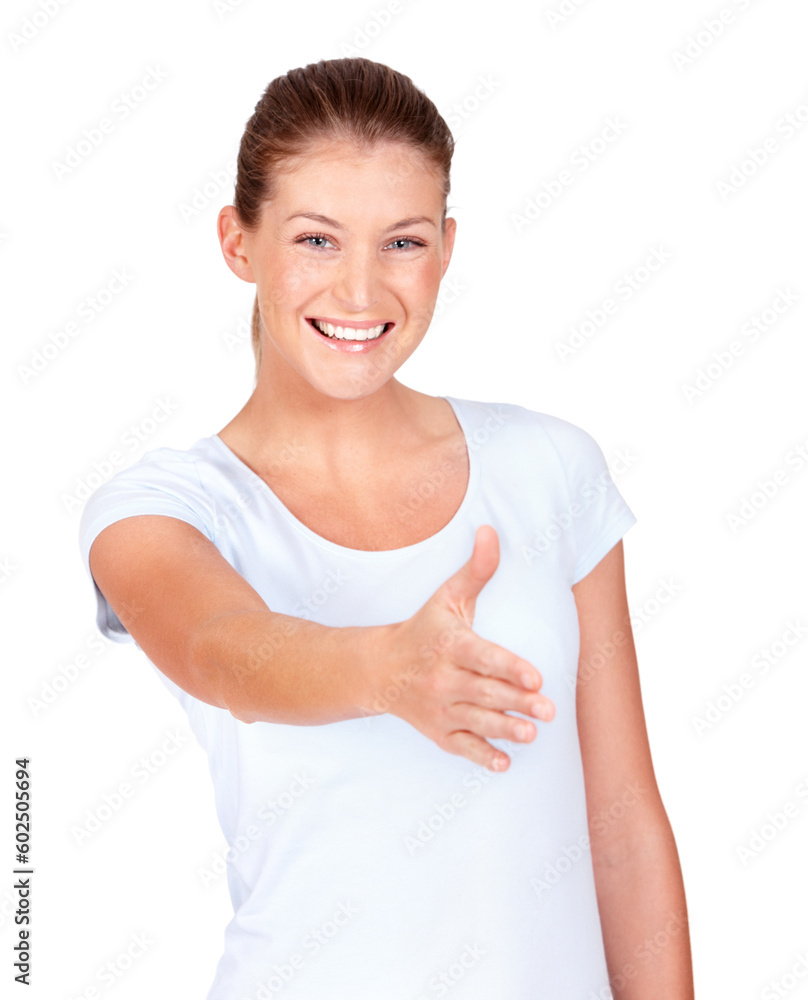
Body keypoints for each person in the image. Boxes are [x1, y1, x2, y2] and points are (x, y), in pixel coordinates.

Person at [79, 57, 694, 999]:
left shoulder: (549, 469)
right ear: (238, 244)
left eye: (401, 242)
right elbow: (220, 648)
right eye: (316, 240)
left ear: (446, 248)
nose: (361, 292)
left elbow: (621, 824)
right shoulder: (160, 508)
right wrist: (388, 671)